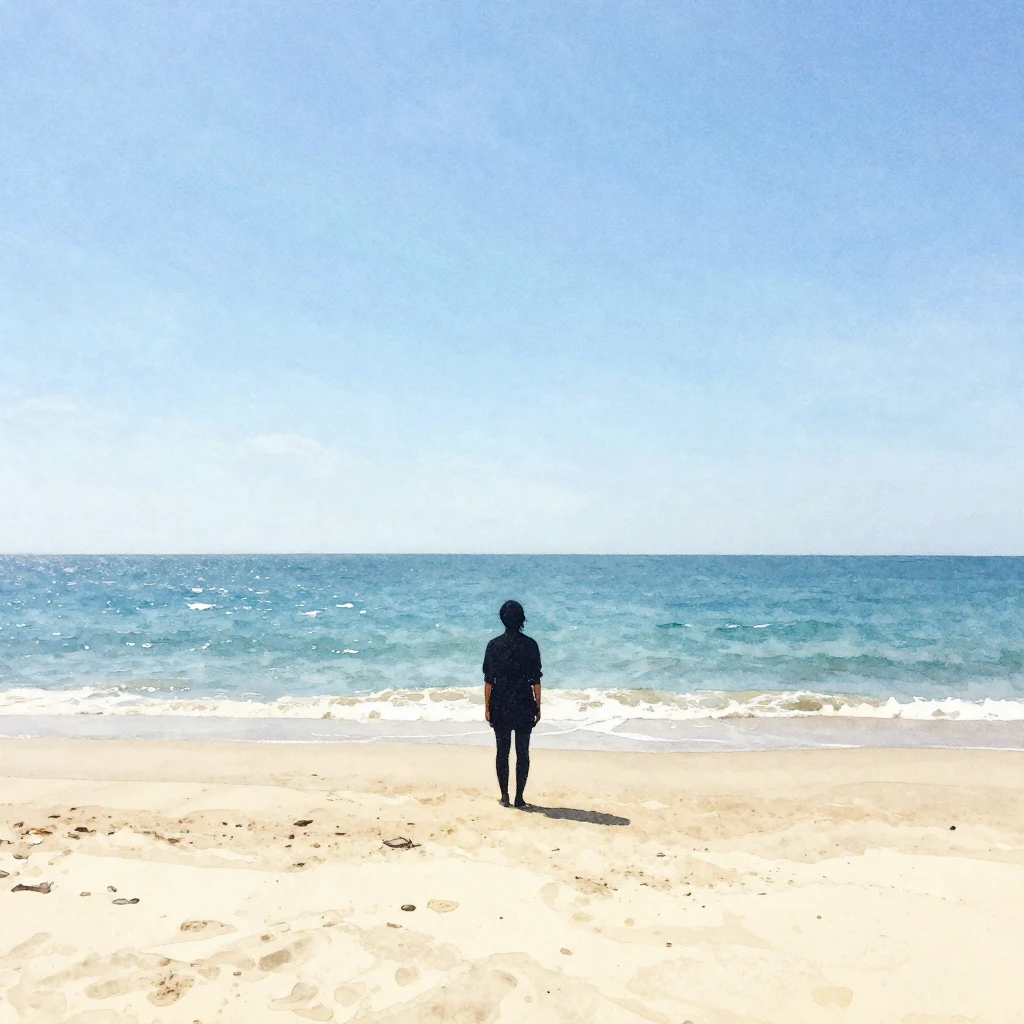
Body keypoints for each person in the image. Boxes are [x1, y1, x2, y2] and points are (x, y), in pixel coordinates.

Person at [483, 600, 542, 808]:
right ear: (521, 619)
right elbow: (536, 679)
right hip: (524, 702)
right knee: (522, 751)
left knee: (503, 751)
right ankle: (519, 797)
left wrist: (487, 707)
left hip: (500, 702)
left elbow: (489, 681)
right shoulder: (531, 645)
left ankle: (505, 796)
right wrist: (538, 706)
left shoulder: (494, 645)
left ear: (502, 619)